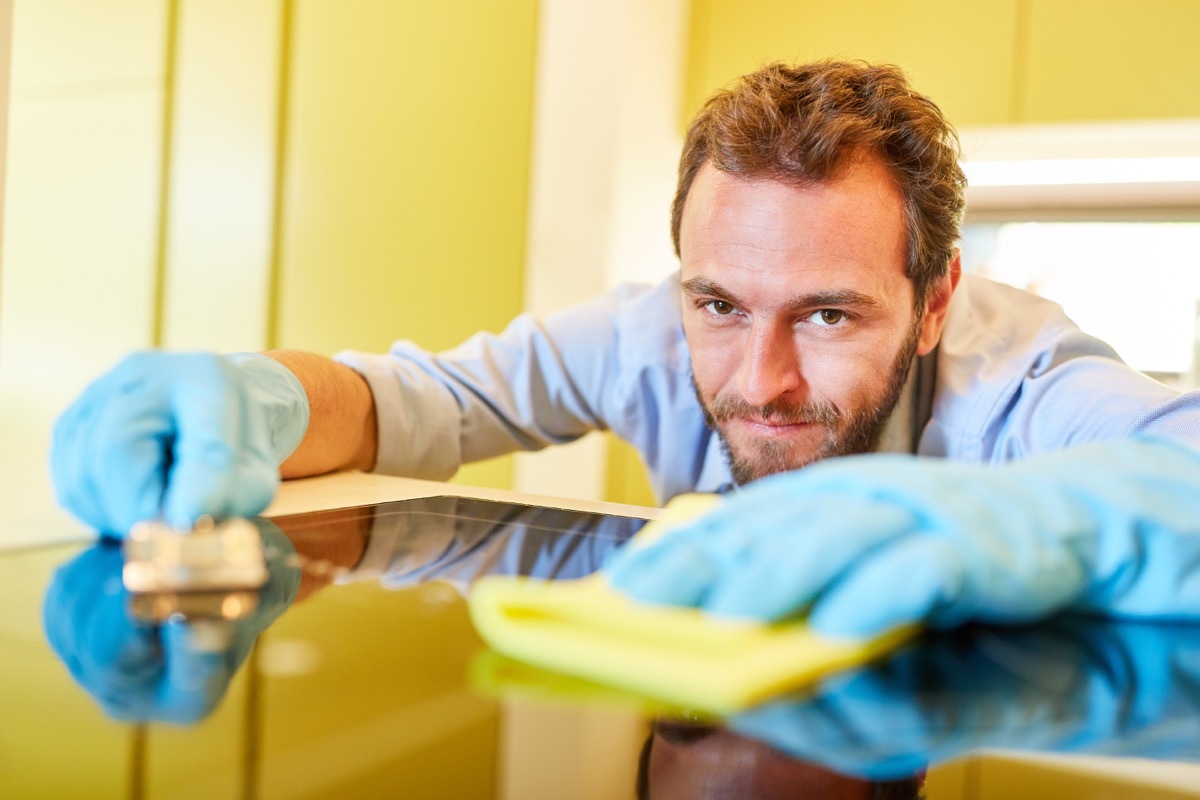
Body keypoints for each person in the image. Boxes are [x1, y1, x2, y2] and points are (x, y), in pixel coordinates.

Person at [51, 60, 1200, 639]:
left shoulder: (1019, 371)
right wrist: (261, 399)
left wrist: (1017, 518)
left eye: (830, 314)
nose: (760, 381)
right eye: (720, 303)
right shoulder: (646, 330)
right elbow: (412, 403)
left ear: (936, 298)